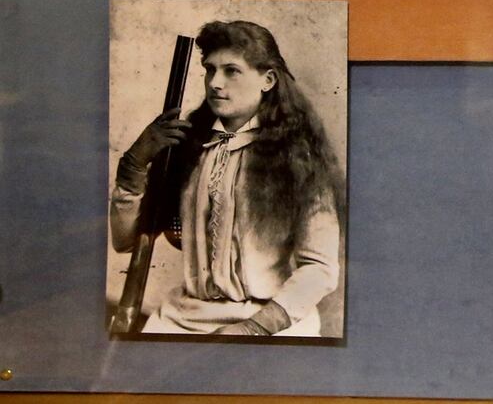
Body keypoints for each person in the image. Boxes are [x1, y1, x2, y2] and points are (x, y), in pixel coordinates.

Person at [110, 20, 342, 335]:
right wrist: (134, 163)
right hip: (184, 318)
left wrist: (253, 328)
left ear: (268, 80)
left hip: (272, 322)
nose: (215, 83)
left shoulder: (300, 161)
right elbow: (126, 241)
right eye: (210, 69)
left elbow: (320, 269)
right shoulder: (189, 150)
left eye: (232, 70)